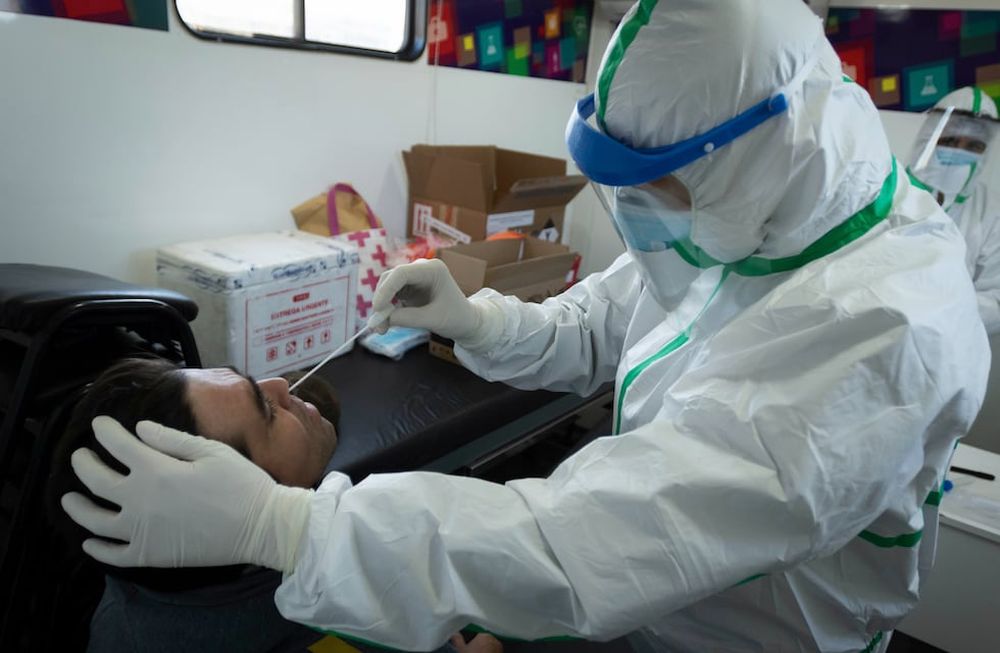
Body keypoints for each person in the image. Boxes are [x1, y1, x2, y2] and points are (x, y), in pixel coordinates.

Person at [62, 1, 990, 651]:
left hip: (766, 632)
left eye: (660, 192)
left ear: (755, 155)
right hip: (664, 610)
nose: (645, 223)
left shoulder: (886, 324)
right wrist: (480, 318)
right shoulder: (752, 219)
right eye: (256, 416)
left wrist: (288, 529)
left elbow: (599, 536)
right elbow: (612, 318)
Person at [52, 357, 499, 653]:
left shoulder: (134, 598)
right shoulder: (356, 605)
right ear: (234, 495)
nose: (282, 384)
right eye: (265, 409)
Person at [906, 86, 1000, 333]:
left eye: (973, 146)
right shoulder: (888, 191)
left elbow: (997, 297)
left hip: (952, 348)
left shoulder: (990, 210)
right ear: (929, 137)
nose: (958, 151)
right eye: (949, 141)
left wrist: (939, 309)